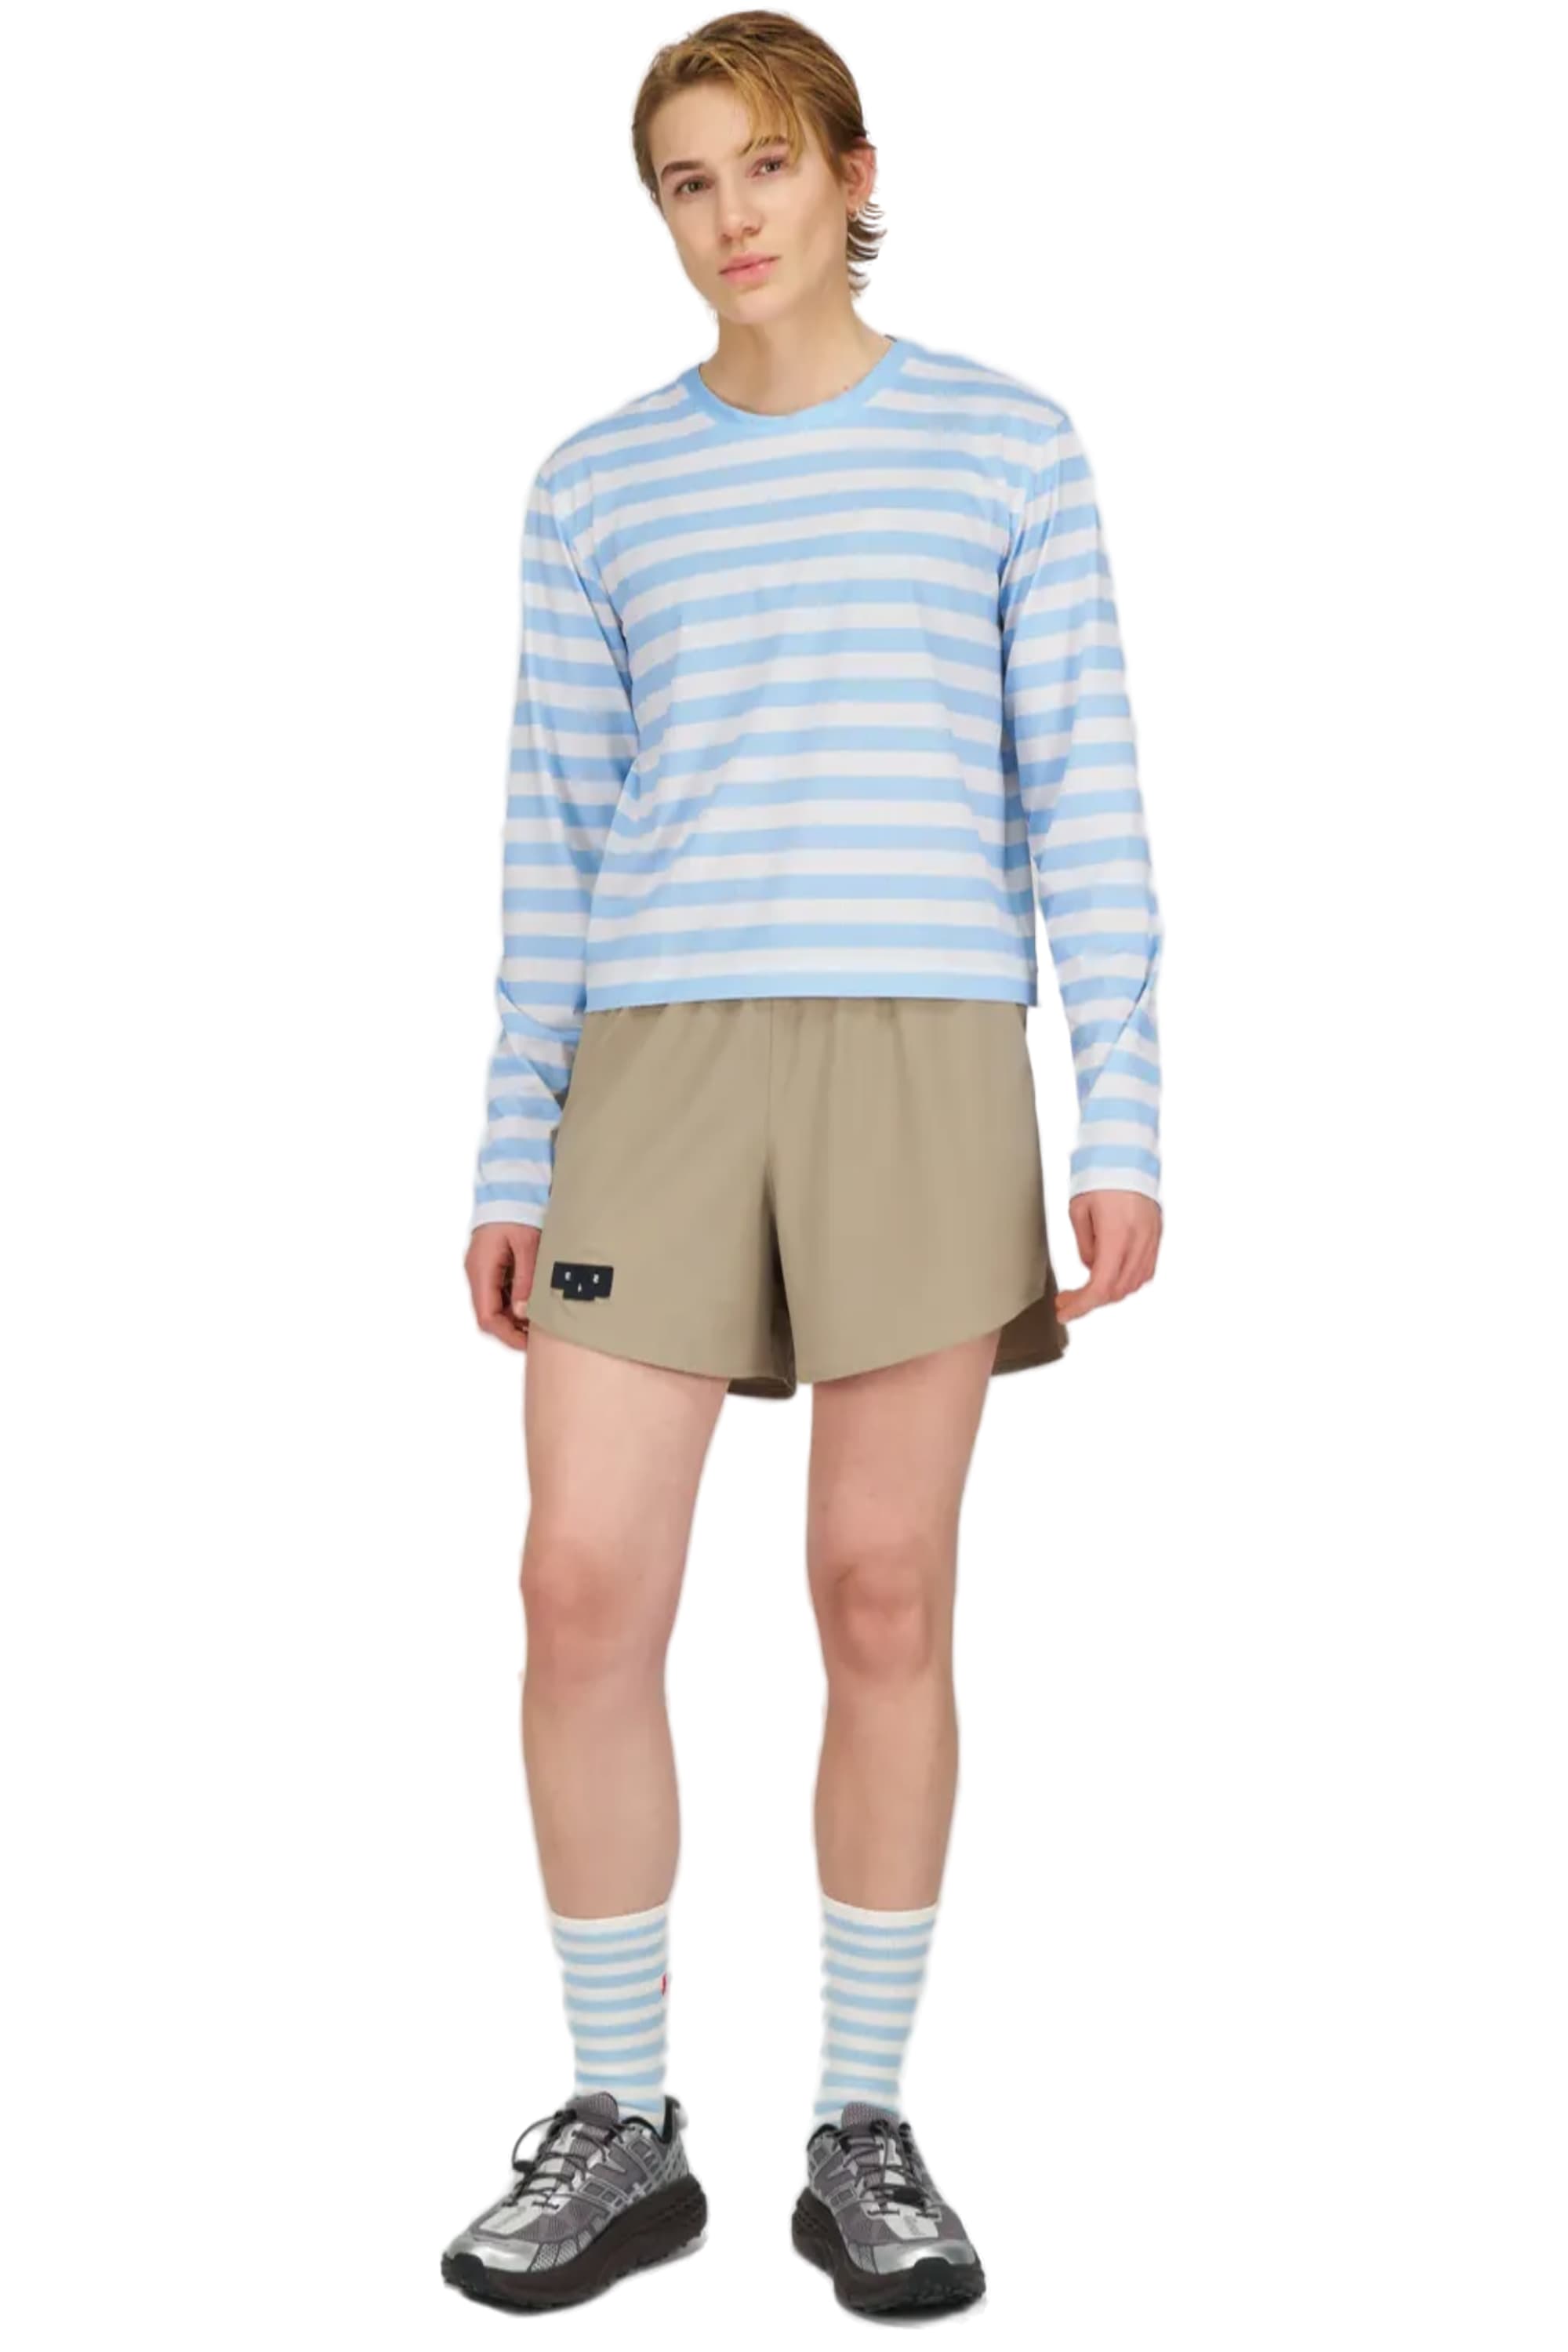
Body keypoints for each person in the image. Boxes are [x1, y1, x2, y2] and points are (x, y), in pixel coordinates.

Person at [443, 8, 1163, 2320]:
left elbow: (1085, 797)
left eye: (765, 164)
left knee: (880, 1590)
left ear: (856, 173)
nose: (729, 215)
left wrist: (1124, 1107)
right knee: (580, 1586)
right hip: (653, 1067)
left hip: (919, 1052)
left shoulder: (1007, 447)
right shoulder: (595, 486)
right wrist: (513, 1146)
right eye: (686, 180)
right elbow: (555, 841)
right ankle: (620, 2123)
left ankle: (861, 2128)